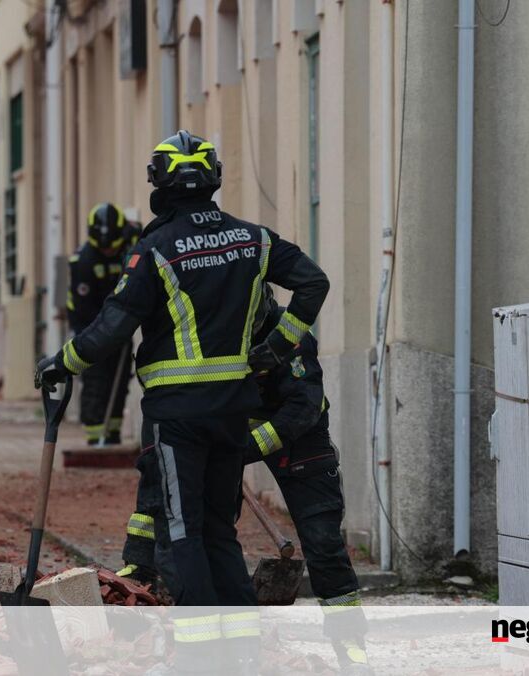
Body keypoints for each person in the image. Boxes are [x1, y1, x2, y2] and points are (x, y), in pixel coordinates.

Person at [36, 130, 330, 672]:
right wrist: (278, 345)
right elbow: (314, 282)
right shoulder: (254, 239)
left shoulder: (156, 248)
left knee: (180, 532)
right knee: (219, 530)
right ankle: (241, 650)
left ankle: (197, 653)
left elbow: (112, 327)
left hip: (178, 416)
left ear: (160, 184)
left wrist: (61, 362)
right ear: (213, 179)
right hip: (233, 409)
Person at [119, 284, 371, 674]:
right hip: (228, 433)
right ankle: (210, 633)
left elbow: (303, 406)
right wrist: (139, 561)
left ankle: (350, 644)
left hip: (298, 436)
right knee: (203, 526)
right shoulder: (207, 331)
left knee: (323, 541)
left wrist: (243, 448)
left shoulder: (290, 333)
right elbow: (159, 473)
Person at [66, 202, 132, 444]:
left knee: (120, 381)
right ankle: (95, 438)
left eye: (112, 246)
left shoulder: (128, 246)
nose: (108, 251)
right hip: (89, 327)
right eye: (104, 248)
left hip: (118, 327)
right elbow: (84, 309)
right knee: (96, 382)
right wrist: (107, 333)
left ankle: (113, 434)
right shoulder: (83, 261)